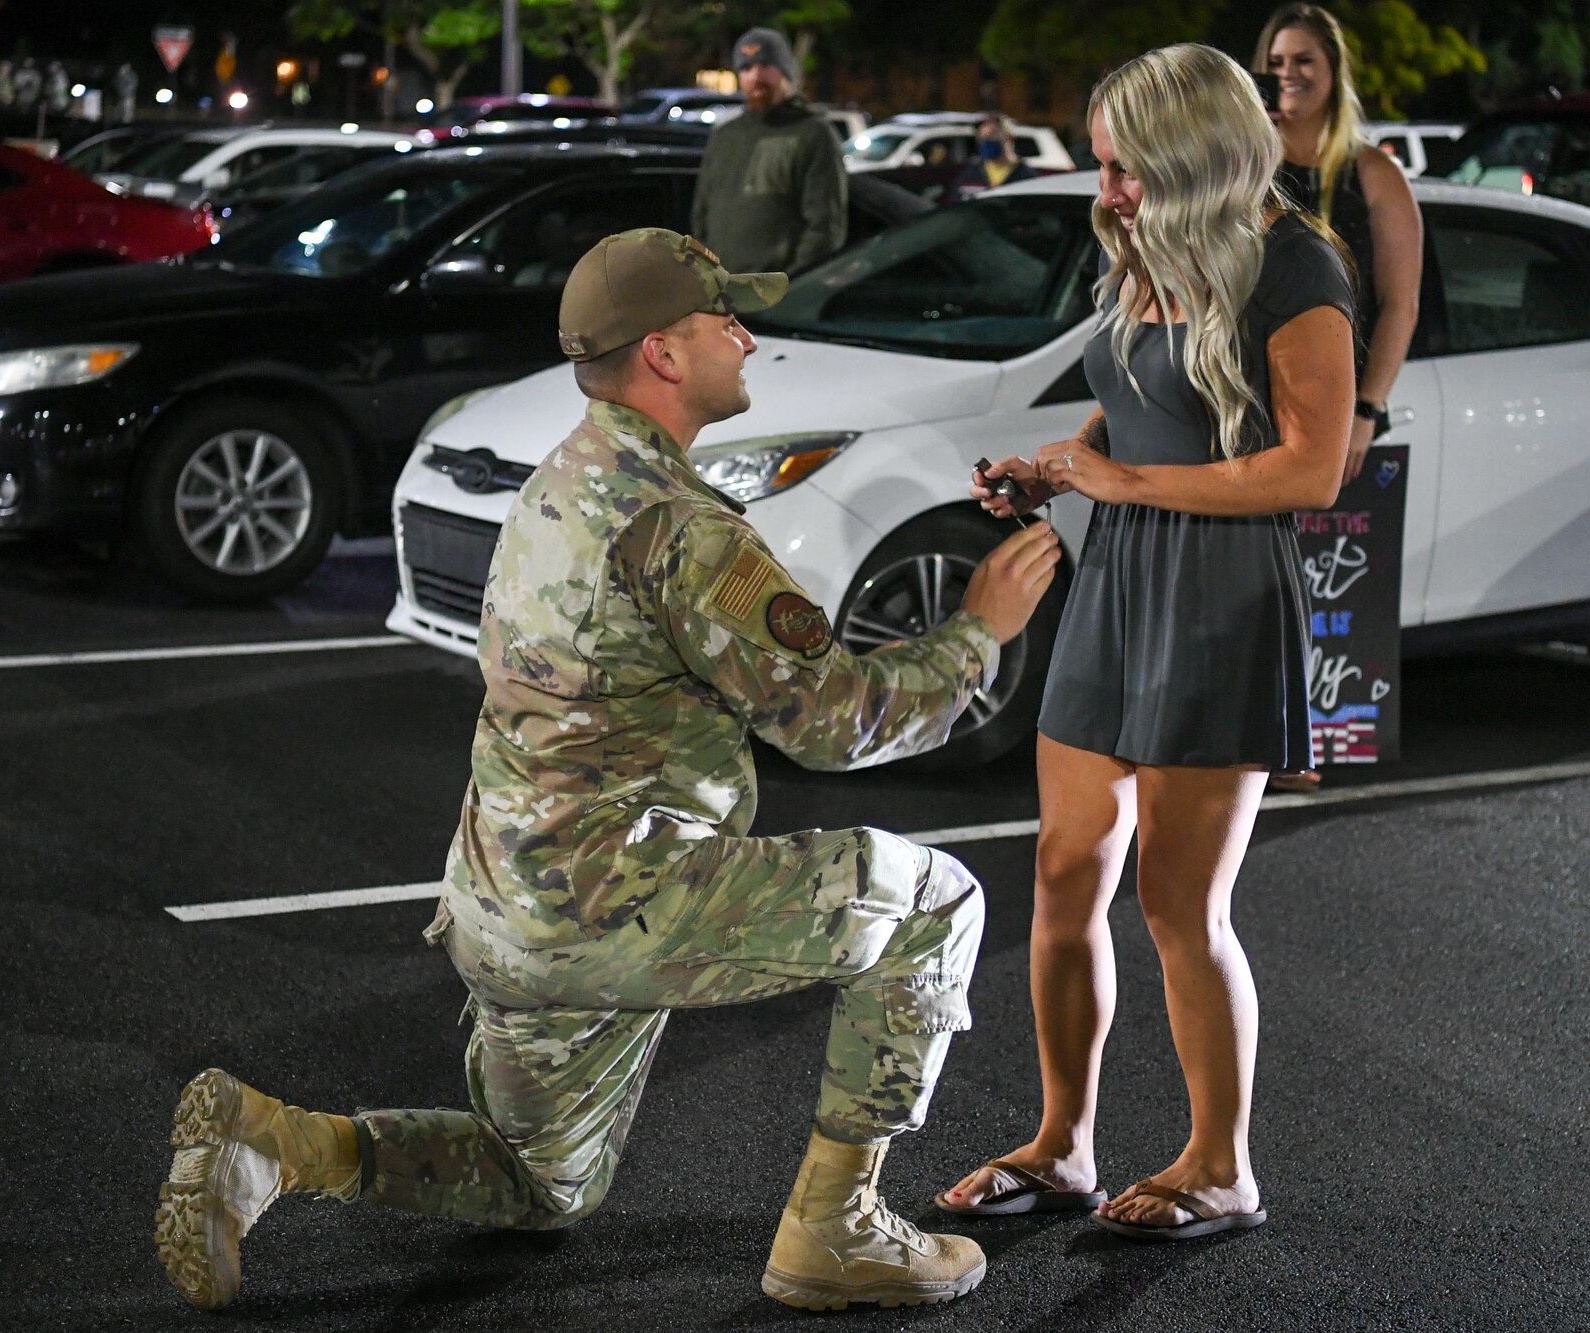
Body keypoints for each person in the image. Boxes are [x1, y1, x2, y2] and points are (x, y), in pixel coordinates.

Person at [153, 228, 1063, 1314]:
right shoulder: (683, 527)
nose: (745, 336)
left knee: (541, 1183)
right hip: (615, 899)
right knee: (933, 903)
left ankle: (275, 1144)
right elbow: (832, 724)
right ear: (662, 355)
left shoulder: (559, 483)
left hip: (503, 901)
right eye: (721, 317)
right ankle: (836, 1229)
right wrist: (977, 633)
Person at [936, 46, 1353, 1240]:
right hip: (1117, 577)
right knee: (1064, 878)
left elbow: (1308, 468)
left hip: (1219, 593)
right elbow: (1127, 406)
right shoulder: (1146, 253)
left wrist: (1118, 475)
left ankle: (1220, 1167)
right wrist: (1050, 467)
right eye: (1104, 165)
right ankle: (1062, 1143)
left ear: (1192, 159)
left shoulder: (1293, 264)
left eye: (1124, 167)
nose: (1104, 190)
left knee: (1178, 906)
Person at [1256, 2, 1423, 793]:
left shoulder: (1369, 172)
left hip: (1332, 400)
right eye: (1276, 60)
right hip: (1252, 394)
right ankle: (1256, 734)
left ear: (1334, 74)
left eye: (1303, 62)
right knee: (1251, 569)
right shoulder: (1244, 162)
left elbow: (1402, 303)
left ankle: (1302, 739)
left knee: (1315, 576)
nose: (1287, 74)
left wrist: (1368, 408)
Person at [689, 27, 848, 275]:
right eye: (747, 68)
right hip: (724, 296)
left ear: (785, 72)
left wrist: (789, 286)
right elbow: (702, 215)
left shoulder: (813, 134)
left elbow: (825, 226)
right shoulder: (725, 136)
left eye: (766, 65)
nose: (756, 75)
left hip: (777, 301)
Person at [953, 114, 1037, 201]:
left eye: (991, 135)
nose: (985, 141)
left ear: (1008, 139)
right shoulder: (972, 172)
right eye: (981, 137)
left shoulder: (1025, 174)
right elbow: (956, 203)